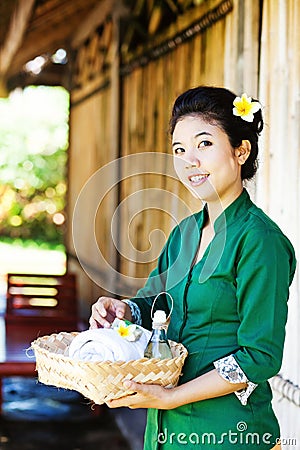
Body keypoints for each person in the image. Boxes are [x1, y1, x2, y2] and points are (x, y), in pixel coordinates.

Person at [89, 86, 296, 449]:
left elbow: (259, 357)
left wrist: (172, 396)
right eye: (179, 150)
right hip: (165, 429)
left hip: (227, 431)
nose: (189, 162)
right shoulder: (184, 233)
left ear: (241, 150)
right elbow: (153, 304)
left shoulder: (259, 241)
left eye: (204, 144)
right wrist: (122, 310)